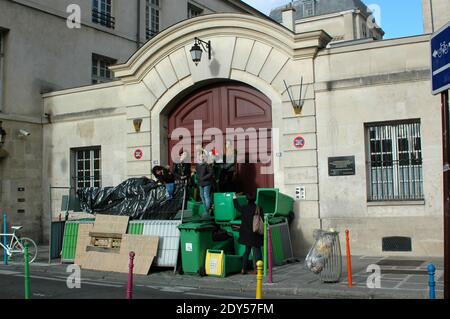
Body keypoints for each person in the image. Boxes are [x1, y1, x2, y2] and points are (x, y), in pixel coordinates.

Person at [233, 193, 263, 275]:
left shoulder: (244, 208)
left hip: (246, 234)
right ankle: (257, 269)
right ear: (255, 200)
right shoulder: (258, 208)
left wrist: (234, 198)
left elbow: (237, 206)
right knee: (257, 251)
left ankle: (243, 269)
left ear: (247, 200)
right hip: (255, 233)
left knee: (247, 251)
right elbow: (262, 220)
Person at [195, 152, 214, 217]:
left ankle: (206, 211)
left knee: (206, 196)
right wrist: (198, 179)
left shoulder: (207, 164)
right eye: (201, 156)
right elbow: (197, 173)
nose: (202, 157)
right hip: (200, 183)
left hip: (207, 182)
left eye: (203, 156)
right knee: (202, 196)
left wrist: (203, 178)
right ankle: (207, 209)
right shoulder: (197, 165)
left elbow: (210, 173)